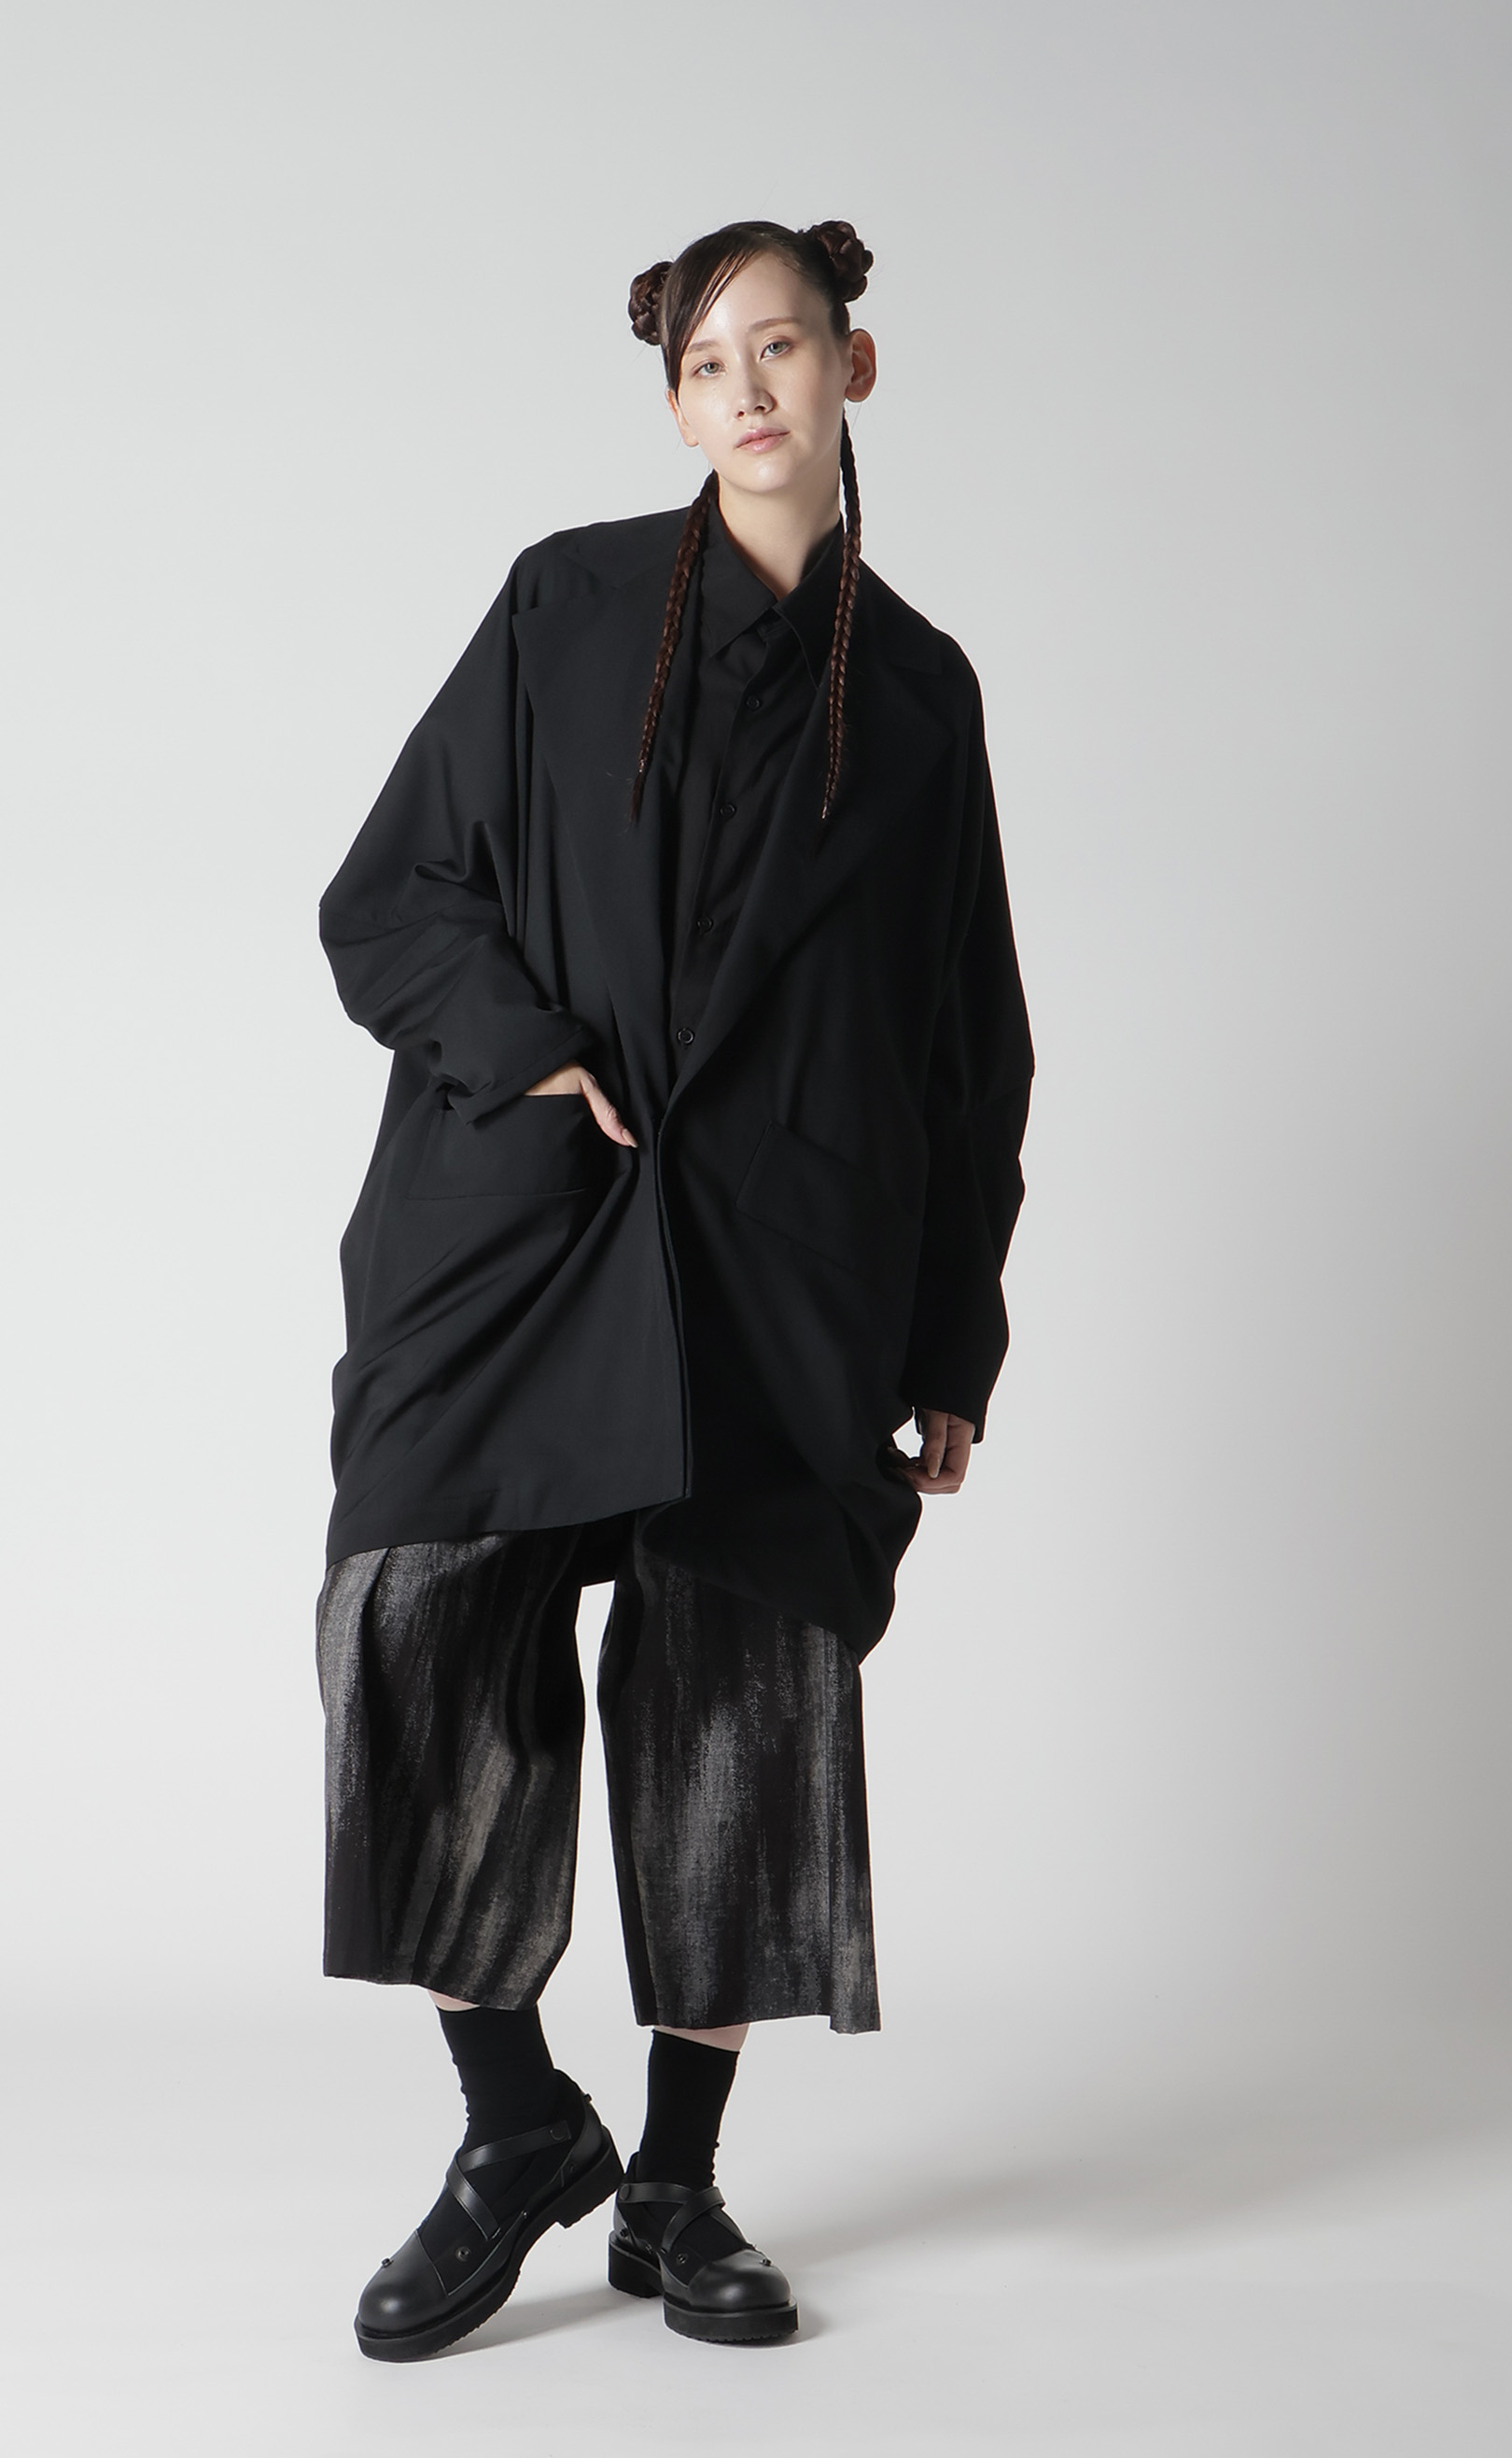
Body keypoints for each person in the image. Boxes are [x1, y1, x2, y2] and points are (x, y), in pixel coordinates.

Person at [314, 218, 1033, 2361]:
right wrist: (529, 1048)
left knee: (739, 1705)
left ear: (853, 369)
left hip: (785, 1269)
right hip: (525, 1233)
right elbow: (388, 891)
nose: (749, 390)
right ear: (673, 404)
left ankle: (679, 2186)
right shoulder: (567, 605)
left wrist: (954, 1332)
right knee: (419, 1623)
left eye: (781, 347)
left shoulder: (921, 696)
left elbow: (969, 1043)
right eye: (710, 361)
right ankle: (515, 2126)